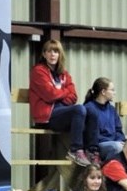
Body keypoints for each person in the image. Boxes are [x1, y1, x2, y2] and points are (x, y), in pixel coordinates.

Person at [28, 38, 90, 166]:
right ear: (44, 54)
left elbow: (73, 97)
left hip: (62, 114)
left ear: (60, 54)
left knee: (91, 113)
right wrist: (64, 91)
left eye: (56, 51)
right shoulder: (38, 71)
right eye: (49, 51)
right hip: (47, 118)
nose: (52, 55)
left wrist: (59, 93)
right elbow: (49, 95)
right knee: (79, 110)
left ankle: (92, 151)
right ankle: (75, 150)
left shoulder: (64, 74)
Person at [82, 77, 126, 163]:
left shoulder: (112, 109)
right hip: (99, 145)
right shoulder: (89, 108)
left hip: (113, 142)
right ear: (103, 92)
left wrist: (121, 141)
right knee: (116, 147)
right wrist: (115, 142)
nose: (115, 93)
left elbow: (118, 129)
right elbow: (91, 135)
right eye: (112, 90)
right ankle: (106, 170)